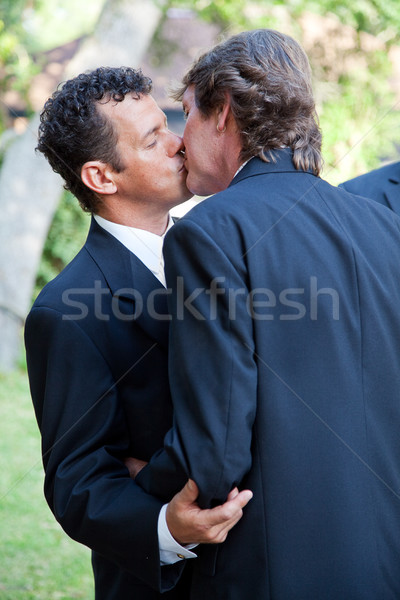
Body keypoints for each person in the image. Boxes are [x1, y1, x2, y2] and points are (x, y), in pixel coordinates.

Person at [132, 30, 400, 599]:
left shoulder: (210, 231)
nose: (181, 142)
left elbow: (218, 441)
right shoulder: (386, 227)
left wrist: (142, 481)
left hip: (271, 566)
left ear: (222, 111)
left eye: (186, 116)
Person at [24, 66, 252, 600]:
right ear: (102, 177)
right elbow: (77, 482)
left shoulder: (225, 249)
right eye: (154, 139)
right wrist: (167, 528)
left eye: (168, 126)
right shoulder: (65, 311)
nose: (179, 143)